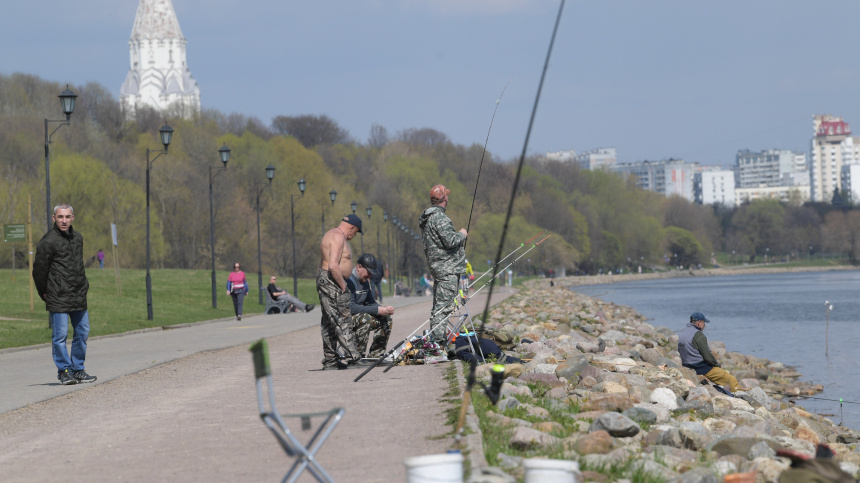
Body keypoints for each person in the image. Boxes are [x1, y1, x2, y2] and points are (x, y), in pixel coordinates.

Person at [32, 203, 97, 385]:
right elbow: (39, 271)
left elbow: (78, 265)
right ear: (54, 218)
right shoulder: (48, 241)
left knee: (82, 332)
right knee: (60, 336)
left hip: (78, 294)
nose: (64, 220)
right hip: (58, 295)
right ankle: (64, 371)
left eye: (67, 217)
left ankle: (78, 369)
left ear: (72, 218)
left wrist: (84, 285)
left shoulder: (78, 238)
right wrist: (44, 292)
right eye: (60, 217)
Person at [317, 214, 371, 370]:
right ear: (352, 228)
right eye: (355, 232)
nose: (354, 236)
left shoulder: (331, 234)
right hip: (332, 281)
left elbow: (323, 264)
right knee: (342, 319)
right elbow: (333, 265)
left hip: (326, 279)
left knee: (328, 322)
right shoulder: (338, 237)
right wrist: (343, 287)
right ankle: (354, 358)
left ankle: (330, 360)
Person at [419, 184, 467, 343]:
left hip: (439, 268)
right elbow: (450, 241)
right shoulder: (439, 218)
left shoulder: (429, 218)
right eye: (447, 195)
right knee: (443, 308)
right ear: (444, 198)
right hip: (447, 269)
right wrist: (462, 234)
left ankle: (435, 341)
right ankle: (438, 343)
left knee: (439, 307)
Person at [347, 253, 394, 359]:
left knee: (386, 318)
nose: (370, 276)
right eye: (368, 272)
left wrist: (384, 309)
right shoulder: (348, 281)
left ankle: (376, 354)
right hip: (344, 319)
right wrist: (377, 310)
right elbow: (351, 308)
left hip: (358, 316)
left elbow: (370, 303)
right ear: (359, 267)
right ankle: (357, 356)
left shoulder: (364, 282)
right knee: (366, 318)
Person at [678, 312, 739, 393]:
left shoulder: (683, 333)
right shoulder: (698, 335)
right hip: (700, 368)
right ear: (699, 323)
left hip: (687, 366)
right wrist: (717, 365)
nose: (704, 326)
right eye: (704, 323)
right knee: (731, 379)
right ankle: (739, 393)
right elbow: (707, 356)